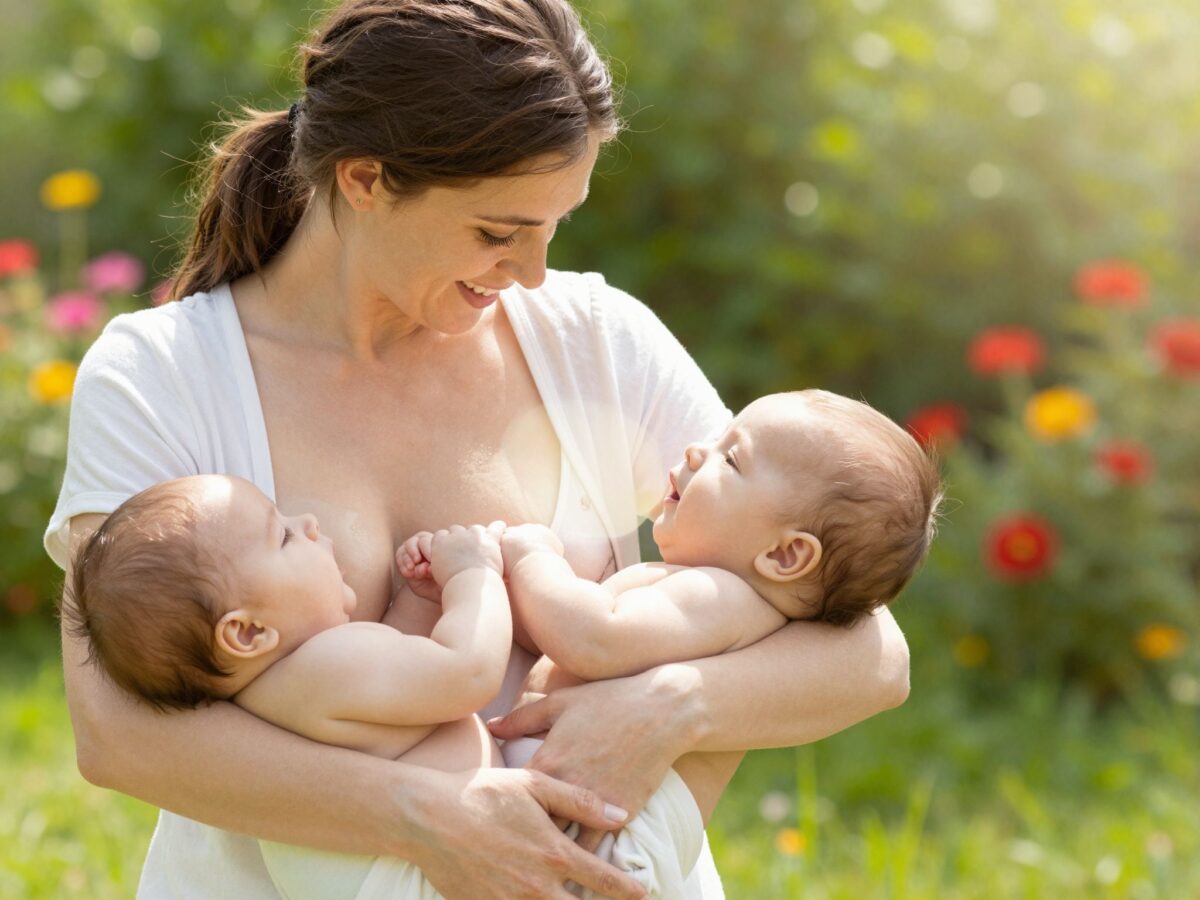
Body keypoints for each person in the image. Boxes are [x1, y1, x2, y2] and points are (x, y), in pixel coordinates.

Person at [45, 1, 911, 897]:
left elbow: (870, 653)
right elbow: (119, 734)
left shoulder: (595, 337)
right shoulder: (164, 375)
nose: (533, 271)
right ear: (365, 178)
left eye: (554, 225)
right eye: (498, 232)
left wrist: (666, 708)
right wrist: (428, 821)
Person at [63, 476, 705, 898]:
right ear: (249, 632)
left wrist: (418, 604)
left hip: (414, 876)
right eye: (283, 536)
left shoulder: (296, 686)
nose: (308, 523)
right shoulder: (327, 664)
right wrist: (473, 576)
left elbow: (402, 674)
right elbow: (466, 674)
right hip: (450, 881)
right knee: (687, 656)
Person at [497, 390, 942, 687]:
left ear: (785, 555)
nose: (695, 450)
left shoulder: (719, 596)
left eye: (730, 459)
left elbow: (593, 638)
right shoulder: (712, 598)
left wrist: (531, 559)